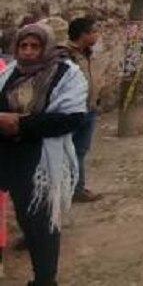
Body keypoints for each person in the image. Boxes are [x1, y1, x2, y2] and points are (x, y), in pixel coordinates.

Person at [0, 23, 88, 286]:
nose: (28, 51)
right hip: (11, 159)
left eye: (34, 46)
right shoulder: (9, 73)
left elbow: (71, 118)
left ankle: (45, 279)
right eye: (23, 46)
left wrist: (20, 124)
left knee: (44, 224)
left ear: (46, 47)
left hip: (42, 161)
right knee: (25, 219)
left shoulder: (66, 75)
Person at [61, 16, 104, 202]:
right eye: (93, 31)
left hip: (89, 109)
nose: (97, 35)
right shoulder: (64, 55)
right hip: (71, 112)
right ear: (83, 34)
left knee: (79, 151)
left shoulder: (88, 53)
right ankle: (61, 190)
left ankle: (77, 188)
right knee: (65, 152)